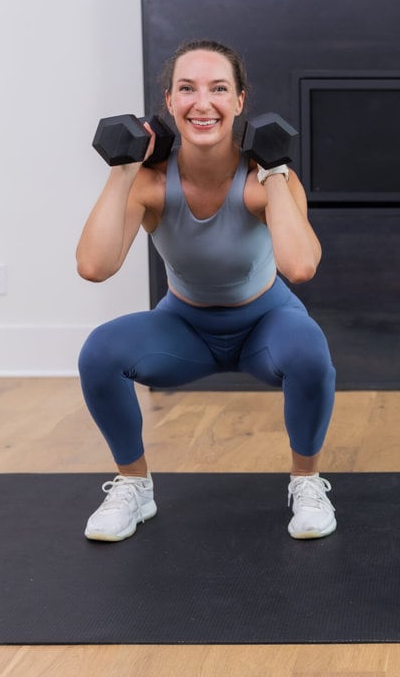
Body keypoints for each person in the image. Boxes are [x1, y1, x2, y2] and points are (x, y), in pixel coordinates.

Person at [75, 39, 338, 543]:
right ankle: (135, 487)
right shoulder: (150, 184)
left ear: (240, 101)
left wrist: (277, 172)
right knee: (99, 352)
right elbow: (94, 265)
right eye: (187, 89)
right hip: (184, 329)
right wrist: (123, 169)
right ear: (169, 103)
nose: (202, 103)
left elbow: (300, 267)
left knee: (309, 350)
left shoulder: (267, 181)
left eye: (219, 89)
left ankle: (306, 482)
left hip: (267, 323)